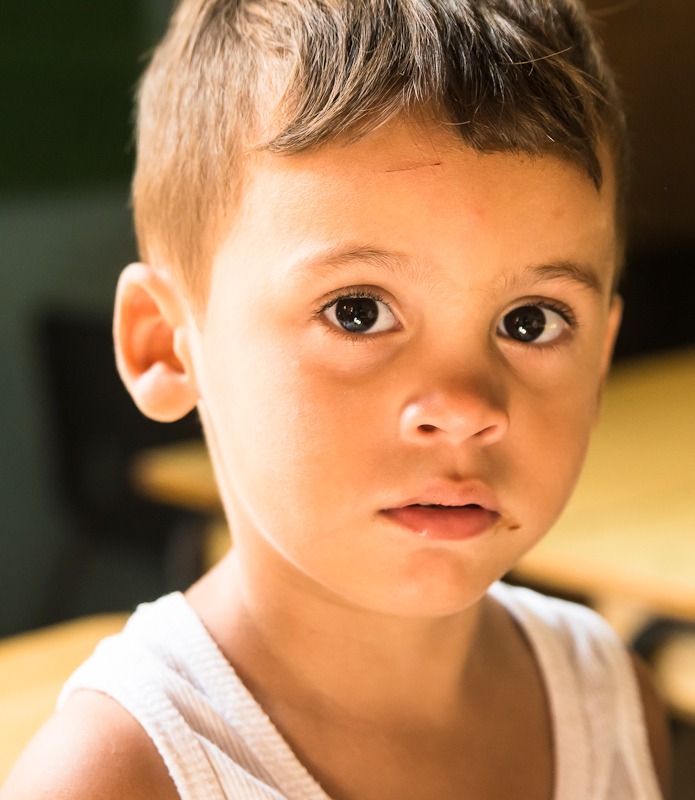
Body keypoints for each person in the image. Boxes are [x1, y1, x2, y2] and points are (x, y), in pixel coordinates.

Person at [1, 0, 671, 798]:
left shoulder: (614, 701)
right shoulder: (119, 776)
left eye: (530, 322)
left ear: (597, 358)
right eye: (357, 312)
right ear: (167, 344)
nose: (461, 405)